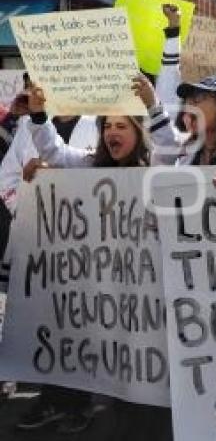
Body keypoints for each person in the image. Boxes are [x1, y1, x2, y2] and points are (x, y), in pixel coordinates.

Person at [13, 85, 160, 436]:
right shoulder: (93, 164)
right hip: (99, 278)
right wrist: (37, 115)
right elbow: (56, 151)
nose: (112, 132)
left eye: (122, 126)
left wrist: (154, 106)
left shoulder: (157, 167)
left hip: (141, 284)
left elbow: (171, 148)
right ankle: (77, 402)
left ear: (138, 134)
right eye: (107, 126)